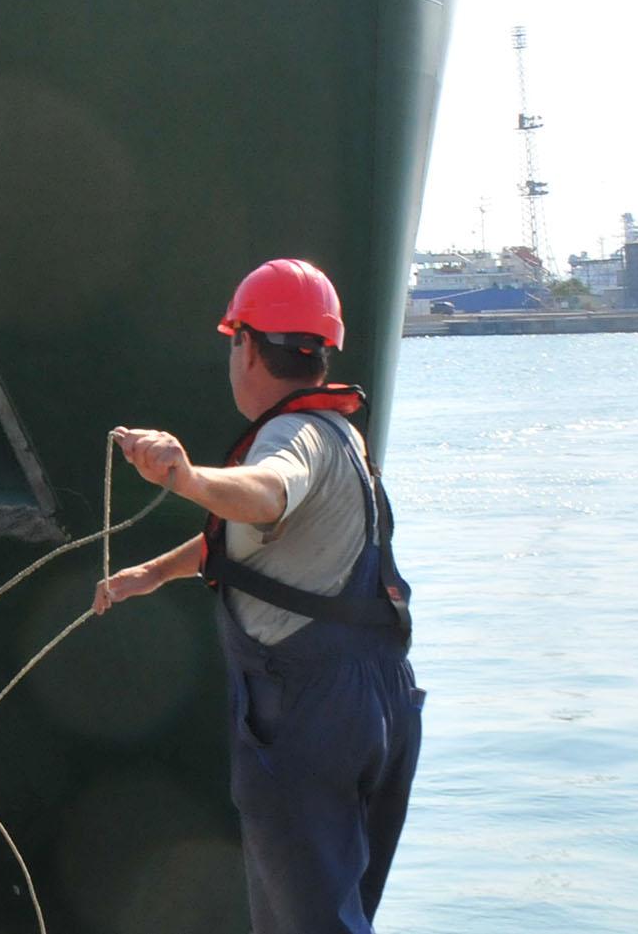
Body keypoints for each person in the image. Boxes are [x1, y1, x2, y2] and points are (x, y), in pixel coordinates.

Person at [93, 259, 421, 934]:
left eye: (233, 340)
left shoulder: (290, 435)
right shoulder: (342, 434)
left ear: (246, 343)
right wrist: (153, 572)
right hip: (378, 699)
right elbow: (263, 539)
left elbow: (268, 493)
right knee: (336, 915)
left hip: (308, 711)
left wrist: (184, 475)